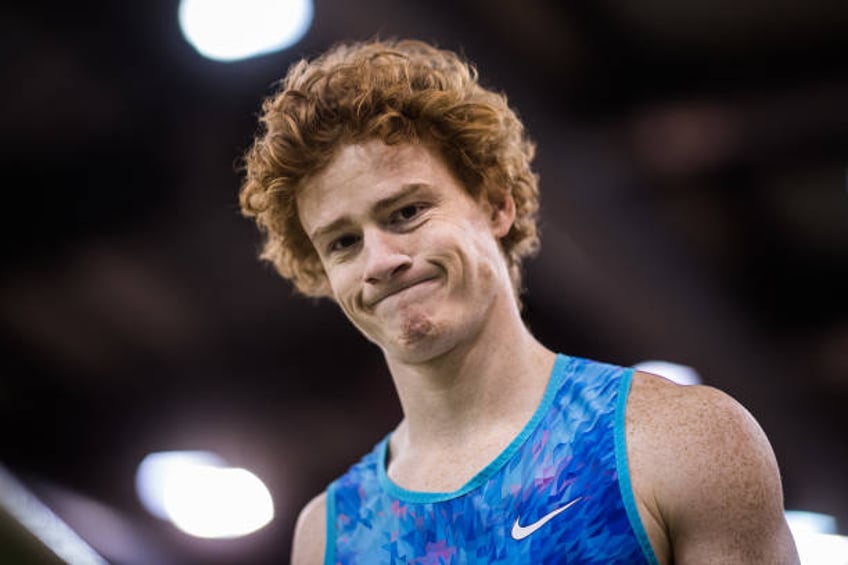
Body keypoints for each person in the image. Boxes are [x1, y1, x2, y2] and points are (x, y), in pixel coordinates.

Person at [239, 38, 799, 564]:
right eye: (343, 243)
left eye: (406, 212)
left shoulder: (680, 441)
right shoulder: (328, 536)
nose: (380, 260)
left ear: (496, 205)